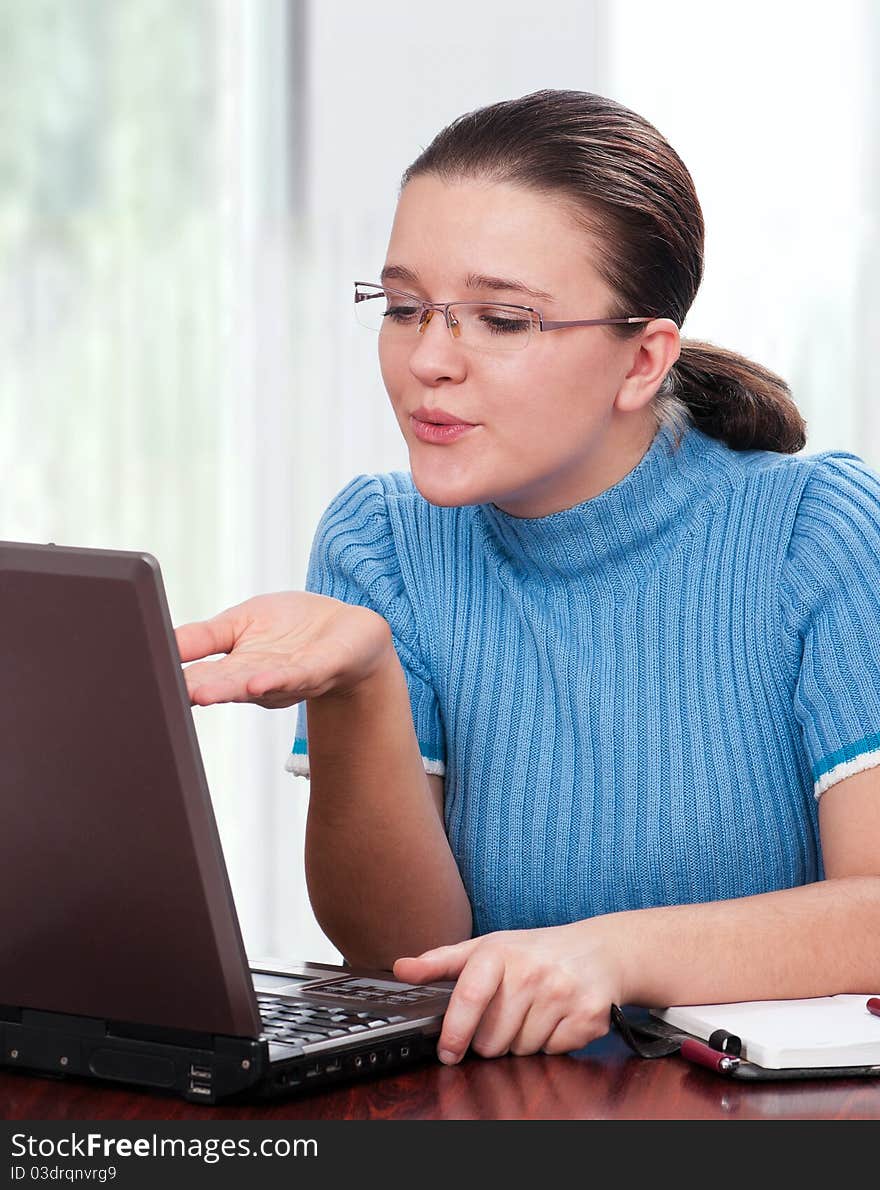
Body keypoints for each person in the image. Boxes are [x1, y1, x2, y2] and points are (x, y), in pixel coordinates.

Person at [175, 89, 880, 1068]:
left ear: (641, 360)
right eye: (405, 307)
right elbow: (397, 957)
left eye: (501, 319)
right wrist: (361, 687)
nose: (427, 359)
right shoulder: (377, 542)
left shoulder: (816, 530)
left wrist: (613, 953)